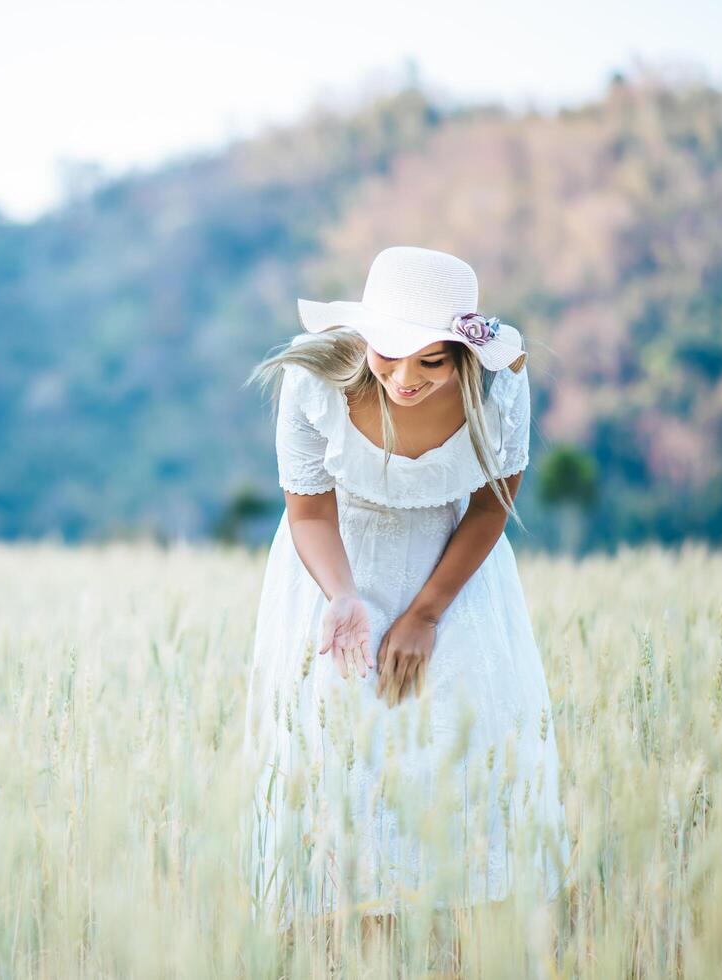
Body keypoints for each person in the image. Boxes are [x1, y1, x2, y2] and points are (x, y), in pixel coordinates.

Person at [241, 246, 572, 943]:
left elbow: (489, 510)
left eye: (432, 360)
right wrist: (341, 597)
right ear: (363, 339)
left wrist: (425, 612)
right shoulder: (314, 382)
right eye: (390, 355)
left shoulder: (501, 390)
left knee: (459, 743)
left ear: (461, 354)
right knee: (336, 757)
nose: (406, 378)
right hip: (333, 566)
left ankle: (452, 936)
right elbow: (307, 513)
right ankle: (343, 938)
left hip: (452, 568)